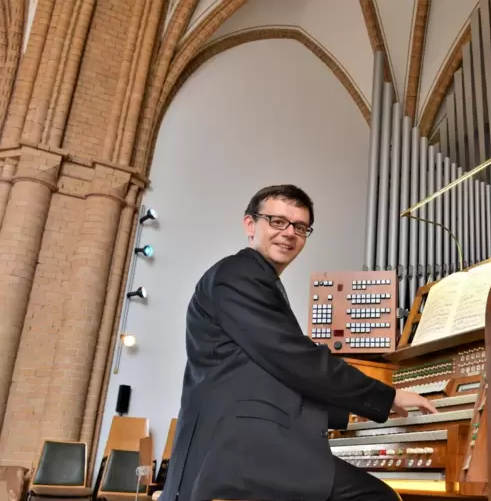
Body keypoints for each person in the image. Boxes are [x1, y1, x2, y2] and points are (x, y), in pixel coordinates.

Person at [159, 184, 438, 501]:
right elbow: (296, 360)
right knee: (376, 497)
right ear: (250, 225)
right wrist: (387, 397)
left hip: (243, 446)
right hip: (238, 454)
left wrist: (351, 415)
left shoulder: (255, 278)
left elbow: (272, 377)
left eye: (300, 227)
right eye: (278, 221)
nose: (289, 233)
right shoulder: (238, 274)